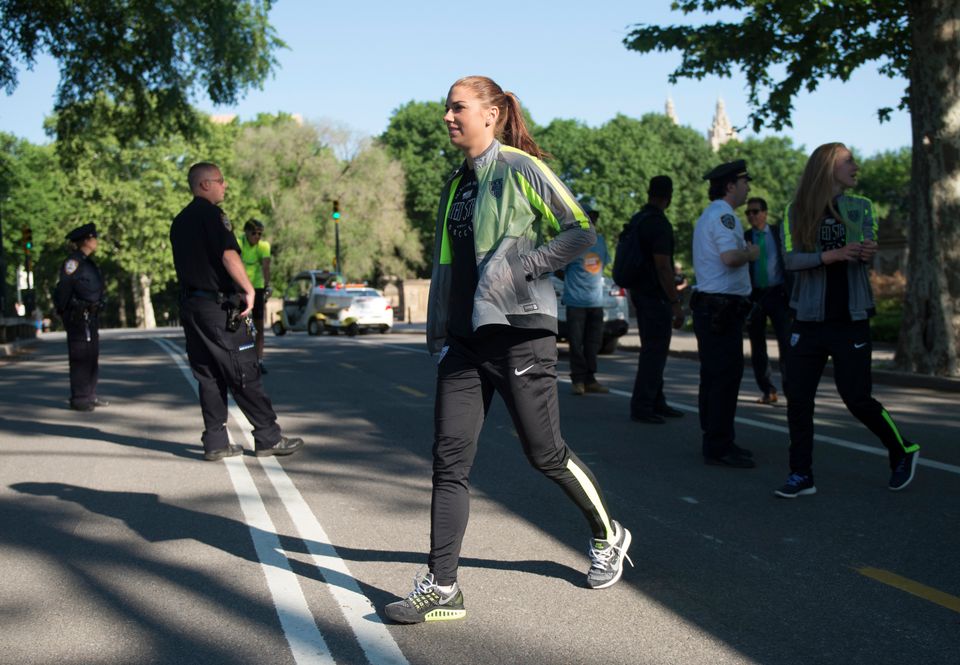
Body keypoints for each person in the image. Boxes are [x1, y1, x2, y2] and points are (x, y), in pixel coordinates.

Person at [384, 76, 632, 625]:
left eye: (458, 107)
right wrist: (440, 331)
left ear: (492, 114)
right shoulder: (456, 185)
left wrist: (527, 266)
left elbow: (580, 231)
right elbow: (449, 265)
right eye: (446, 108)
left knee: (544, 453)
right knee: (448, 463)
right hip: (466, 340)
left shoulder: (521, 167)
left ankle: (608, 534)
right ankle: (442, 584)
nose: (448, 116)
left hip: (521, 332)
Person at [774, 143, 919, 498]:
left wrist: (866, 250)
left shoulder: (861, 206)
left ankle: (903, 449)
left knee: (856, 398)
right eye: (849, 161)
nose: (856, 166)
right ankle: (800, 474)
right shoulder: (796, 210)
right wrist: (833, 254)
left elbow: (867, 246)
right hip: (807, 320)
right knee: (798, 398)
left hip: (850, 319)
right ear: (828, 167)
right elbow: (791, 261)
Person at [170, 162, 304, 462]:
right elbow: (228, 254)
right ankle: (268, 436)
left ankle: (215, 441)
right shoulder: (212, 215)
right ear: (205, 185)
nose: (224, 185)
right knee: (243, 369)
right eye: (220, 181)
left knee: (207, 373)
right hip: (219, 307)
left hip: (193, 307)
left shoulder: (179, 221)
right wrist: (249, 289)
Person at [690, 160, 759, 468]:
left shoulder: (713, 215)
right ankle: (719, 445)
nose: (748, 188)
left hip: (714, 307)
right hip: (722, 309)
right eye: (744, 182)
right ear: (730, 185)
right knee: (724, 379)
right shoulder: (724, 216)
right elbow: (730, 257)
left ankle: (716, 440)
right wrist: (751, 253)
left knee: (714, 376)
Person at [627, 175, 686, 424]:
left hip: (640, 293)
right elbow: (663, 266)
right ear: (668, 197)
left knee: (653, 349)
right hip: (654, 296)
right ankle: (643, 405)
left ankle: (656, 401)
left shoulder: (639, 219)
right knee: (655, 351)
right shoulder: (658, 223)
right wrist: (675, 302)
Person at [53, 223, 108, 411]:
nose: (96, 241)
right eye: (94, 238)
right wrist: (62, 311)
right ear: (86, 240)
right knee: (80, 357)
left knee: (92, 355)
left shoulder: (87, 262)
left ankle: (90, 394)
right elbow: (64, 288)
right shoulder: (73, 262)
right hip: (77, 316)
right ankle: (79, 397)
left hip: (91, 315)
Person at [745, 197, 793, 405]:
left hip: (778, 294)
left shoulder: (778, 233)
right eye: (749, 213)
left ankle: (791, 390)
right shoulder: (744, 237)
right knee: (757, 345)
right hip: (755, 295)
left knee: (786, 343)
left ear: (765, 213)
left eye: (755, 211)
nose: (752, 216)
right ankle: (768, 390)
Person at [561, 204, 610, 395]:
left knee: (593, 343)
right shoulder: (572, 243)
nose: (593, 221)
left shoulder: (601, 241)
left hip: (595, 301)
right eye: (589, 217)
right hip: (576, 302)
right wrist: (574, 285)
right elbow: (559, 269)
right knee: (576, 342)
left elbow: (603, 265)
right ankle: (578, 380)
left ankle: (590, 379)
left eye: (594, 217)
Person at [240, 219, 271, 374]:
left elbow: (266, 266)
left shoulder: (263, 246)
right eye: (254, 233)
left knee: (259, 328)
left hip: (257, 289)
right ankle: (243, 359)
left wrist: (268, 286)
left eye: (260, 233)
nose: (257, 236)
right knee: (245, 327)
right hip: (242, 289)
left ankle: (259, 361)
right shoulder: (239, 242)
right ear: (246, 232)